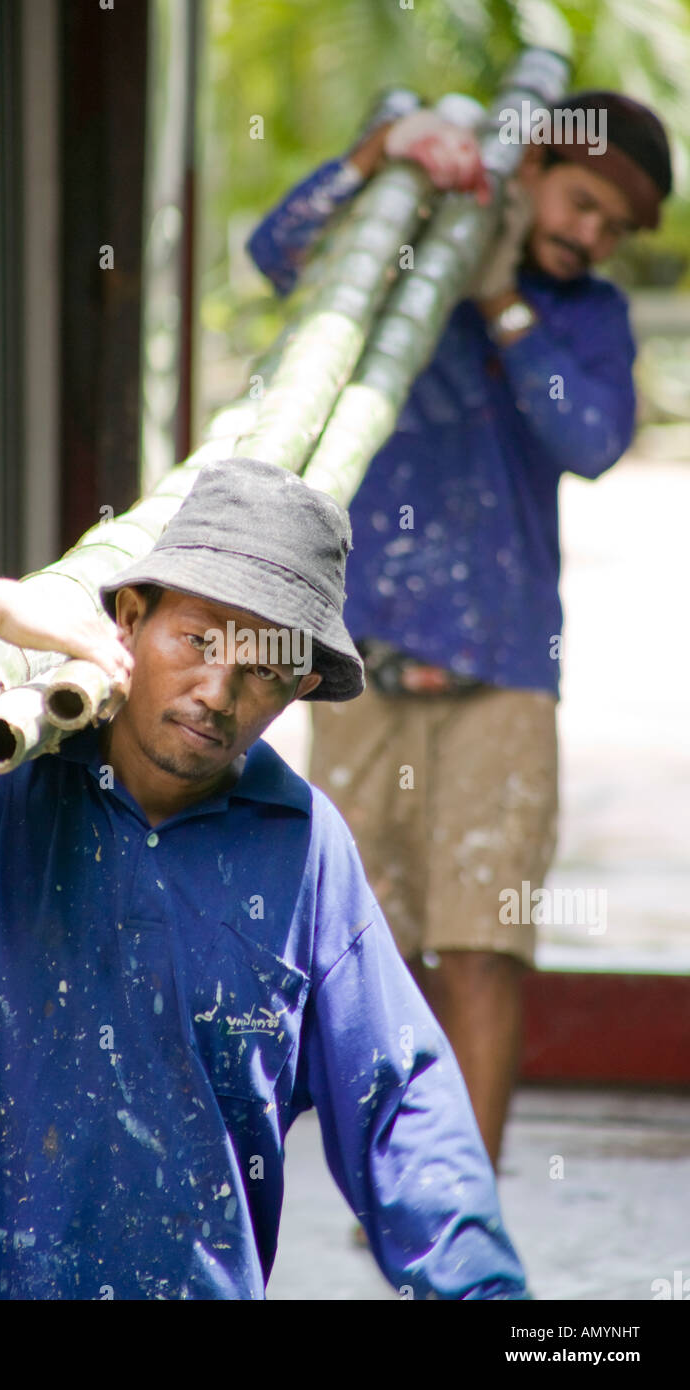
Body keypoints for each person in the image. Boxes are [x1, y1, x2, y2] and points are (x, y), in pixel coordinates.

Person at [0, 458, 529, 1300]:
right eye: (199, 640)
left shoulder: (300, 849)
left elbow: (400, 1111)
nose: (217, 690)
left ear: (301, 684)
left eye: (262, 665)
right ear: (129, 616)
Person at [248, 92, 672, 1168]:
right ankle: (383, 1197)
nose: (591, 235)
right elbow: (280, 251)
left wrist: (504, 307)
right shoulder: (411, 254)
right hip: (362, 665)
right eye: (581, 203)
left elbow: (589, 439)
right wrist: (378, 153)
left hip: (507, 669)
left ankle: (457, 1216)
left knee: (484, 947)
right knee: (359, 948)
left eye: (613, 228)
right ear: (529, 169)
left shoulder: (589, 317)